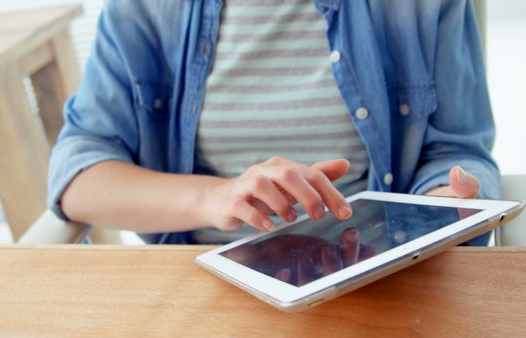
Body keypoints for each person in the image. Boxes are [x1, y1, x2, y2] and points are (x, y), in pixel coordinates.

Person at [47, 0, 499, 246]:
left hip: (378, 277)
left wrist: (444, 205)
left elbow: (454, 152)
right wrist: (214, 197)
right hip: (200, 284)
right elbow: (78, 179)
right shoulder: (143, 10)